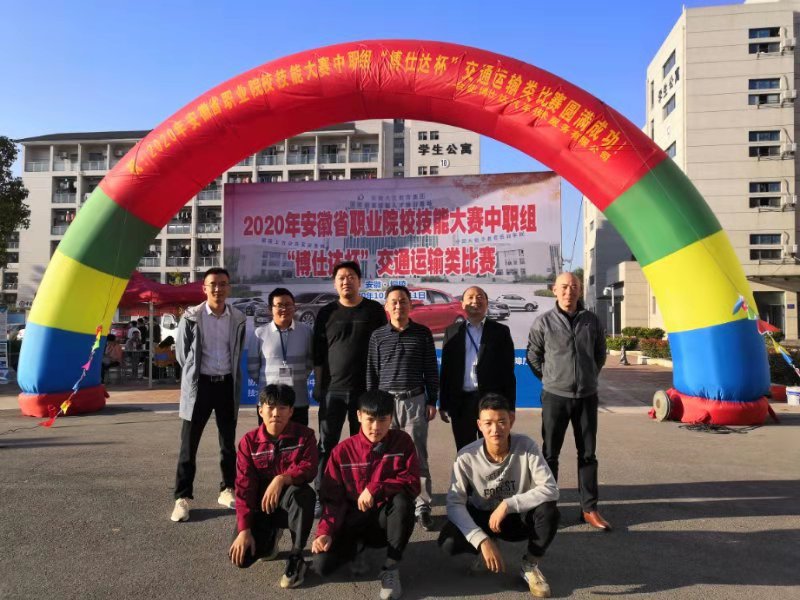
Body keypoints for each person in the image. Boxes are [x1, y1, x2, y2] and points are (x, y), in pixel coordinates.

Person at [438, 394, 559, 598]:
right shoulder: (466, 456)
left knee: (549, 511)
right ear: (479, 425)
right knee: (448, 542)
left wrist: (508, 504)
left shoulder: (526, 446)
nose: (495, 429)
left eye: (502, 421)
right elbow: (454, 503)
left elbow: (550, 488)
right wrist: (480, 539)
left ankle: (530, 565)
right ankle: (487, 546)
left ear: (511, 420)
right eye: (488, 423)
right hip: (483, 516)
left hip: (514, 518)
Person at [312, 390, 420, 600]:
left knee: (403, 501)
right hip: (351, 521)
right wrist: (325, 532)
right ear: (359, 416)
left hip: (383, 521)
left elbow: (413, 482)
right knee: (322, 566)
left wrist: (376, 488)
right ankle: (358, 548)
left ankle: (391, 567)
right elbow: (332, 499)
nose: (376, 427)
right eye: (370, 419)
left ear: (391, 418)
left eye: (383, 420)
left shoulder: (402, 442)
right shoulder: (342, 451)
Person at [526, 272, 610, 531]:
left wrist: (589, 376)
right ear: (554, 290)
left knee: (588, 454)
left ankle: (589, 508)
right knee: (550, 454)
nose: (568, 291)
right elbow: (533, 355)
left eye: (573, 286)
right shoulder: (544, 322)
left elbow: (600, 353)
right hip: (555, 397)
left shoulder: (591, 321)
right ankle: (548, 506)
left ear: (580, 290)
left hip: (586, 396)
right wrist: (551, 378)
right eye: (563, 287)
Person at [171, 267, 247, 523]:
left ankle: (228, 489)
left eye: (223, 284)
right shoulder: (191, 317)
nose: (218, 288)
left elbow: (237, 351)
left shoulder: (238, 318)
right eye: (213, 284)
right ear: (204, 288)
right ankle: (182, 498)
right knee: (188, 445)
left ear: (229, 288)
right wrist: (196, 376)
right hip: (199, 387)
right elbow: (182, 355)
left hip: (226, 385)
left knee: (228, 443)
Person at [312, 261, 387, 515]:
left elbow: (382, 348)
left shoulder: (374, 310)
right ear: (335, 283)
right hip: (332, 390)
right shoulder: (326, 313)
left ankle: (362, 492)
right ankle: (322, 494)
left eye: (351, 276)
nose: (346, 281)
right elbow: (318, 353)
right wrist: (318, 384)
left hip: (365, 391)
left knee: (365, 444)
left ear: (359, 281)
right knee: (327, 445)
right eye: (341, 278)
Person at [228, 384, 318, 589]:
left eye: (282, 408)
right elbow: (244, 488)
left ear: (291, 411)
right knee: (242, 558)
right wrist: (244, 529)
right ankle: (270, 538)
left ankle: (296, 556)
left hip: (289, 504)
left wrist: (282, 479)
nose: (276, 413)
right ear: (260, 410)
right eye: (270, 407)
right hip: (261, 508)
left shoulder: (305, 436)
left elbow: (309, 468)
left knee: (304, 495)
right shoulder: (249, 442)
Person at [367, 285, 438, 531]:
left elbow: (431, 369)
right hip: (385, 404)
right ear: (386, 306)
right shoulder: (378, 336)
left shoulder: (423, 333)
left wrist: (432, 400)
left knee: (417, 455)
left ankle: (422, 506)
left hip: (414, 401)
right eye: (394, 302)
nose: (399, 306)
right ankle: (386, 500)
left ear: (411, 304)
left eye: (403, 301)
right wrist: (373, 405)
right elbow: (371, 372)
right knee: (382, 454)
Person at [439, 286, 516, 450]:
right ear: (462, 304)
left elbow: (508, 373)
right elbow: (446, 370)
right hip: (461, 402)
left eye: (480, 297)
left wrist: (510, 407)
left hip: (492, 402)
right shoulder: (452, 331)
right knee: (465, 450)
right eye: (471, 297)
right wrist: (444, 403)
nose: (475, 301)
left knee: (495, 450)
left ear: (487, 303)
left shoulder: (500, 331)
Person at [247, 288, 313, 426]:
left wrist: (297, 377)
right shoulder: (260, 333)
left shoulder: (306, 331)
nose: (284, 309)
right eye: (279, 305)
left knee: (299, 437)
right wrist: (272, 382)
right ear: (270, 308)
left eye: (288, 304)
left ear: (294, 307)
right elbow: (253, 368)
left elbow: (310, 362)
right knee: (268, 439)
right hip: (269, 403)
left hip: (298, 400)